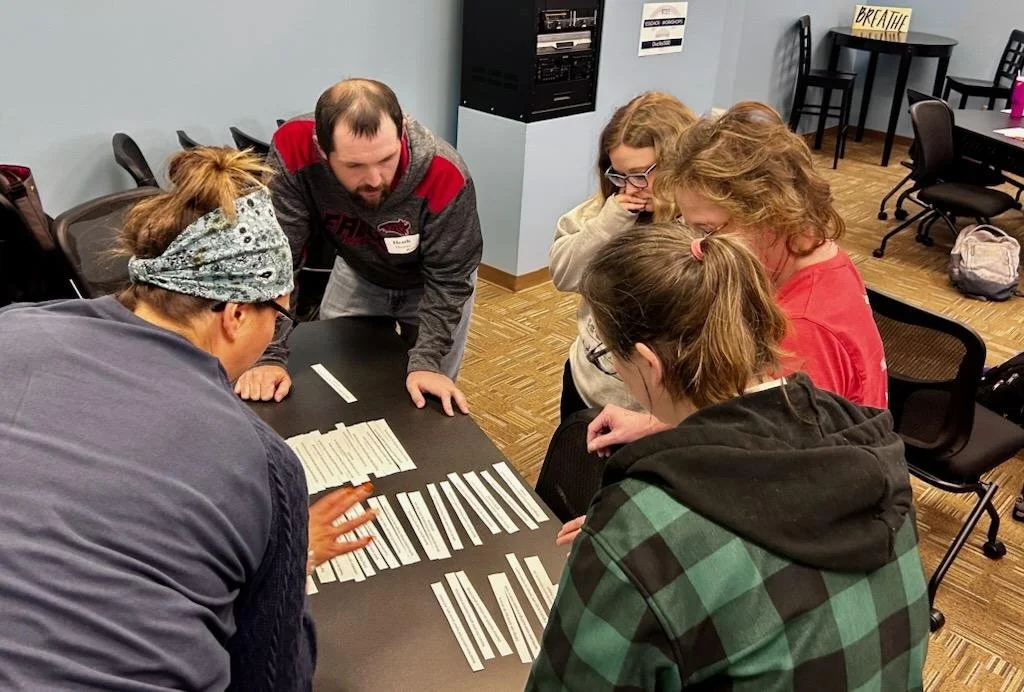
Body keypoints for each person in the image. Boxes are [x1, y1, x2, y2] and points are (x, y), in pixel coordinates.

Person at [0, 148, 374, 691]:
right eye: (280, 314)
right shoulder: (262, 463)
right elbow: (274, 680)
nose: (277, 331)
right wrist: (287, 562)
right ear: (236, 313)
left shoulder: (11, 328)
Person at [529, 224, 929, 690]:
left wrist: (622, 554)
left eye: (609, 356)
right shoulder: (864, 441)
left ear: (649, 364)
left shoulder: (638, 532)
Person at [583, 100, 887, 462]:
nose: (697, 246)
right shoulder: (811, 253)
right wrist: (655, 422)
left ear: (769, 212)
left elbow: (774, 469)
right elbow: (742, 406)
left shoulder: (802, 333)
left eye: (707, 230)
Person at [236, 78, 483, 417]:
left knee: (425, 394)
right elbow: (278, 257)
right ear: (322, 150)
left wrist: (428, 361)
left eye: (387, 159)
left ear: (402, 133)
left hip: (434, 284)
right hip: (359, 268)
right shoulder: (295, 147)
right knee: (338, 377)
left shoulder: (444, 173)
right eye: (354, 166)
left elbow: (449, 279)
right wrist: (267, 354)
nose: (375, 179)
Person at [550, 92, 696, 421]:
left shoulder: (701, 226)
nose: (630, 188)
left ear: (678, 163)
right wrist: (608, 224)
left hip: (656, 407)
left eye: (642, 174)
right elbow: (563, 276)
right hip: (589, 382)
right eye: (620, 175)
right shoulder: (602, 212)